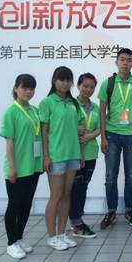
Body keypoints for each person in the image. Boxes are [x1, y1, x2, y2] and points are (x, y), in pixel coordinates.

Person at [98, 48, 132, 229]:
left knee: (131, 177)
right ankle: (111, 211)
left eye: (129, 60)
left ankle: (129, 210)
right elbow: (101, 113)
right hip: (112, 135)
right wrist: (103, 138)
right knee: (110, 177)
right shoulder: (108, 83)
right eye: (122, 59)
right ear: (116, 62)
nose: (125, 63)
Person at [40, 66, 85, 251]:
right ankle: (51, 236)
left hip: (72, 154)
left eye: (68, 80)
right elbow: (43, 132)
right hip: (56, 156)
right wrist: (46, 156)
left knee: (67, 195)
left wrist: (81, 153)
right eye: (62, 79)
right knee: (56, 196)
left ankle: (61, 234)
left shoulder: (74, 103)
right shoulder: (47, 102)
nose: (65, 83)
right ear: (54, 81)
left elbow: (80, 128)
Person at [0, 74, 42, 259]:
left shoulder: (34, 110)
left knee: (26, 204)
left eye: (31, 89)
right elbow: (9, 142)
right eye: (25, 88)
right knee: (14, 205)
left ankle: (19, 237)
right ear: (16, 88)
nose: (28, 92)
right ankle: (11, 243)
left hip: (33, 165)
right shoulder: (11, 112)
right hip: (17, 167)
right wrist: (11, 167)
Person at [69, 73, 101, 238]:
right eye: (85, 86)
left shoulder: (95, 107)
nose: (88, 89)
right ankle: (76, 222)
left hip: (90, 153)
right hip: (74, 153)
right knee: (74, 189)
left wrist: (89, 136)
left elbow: (100, 127)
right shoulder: (71, 105)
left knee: (83, 187)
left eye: (92, 87)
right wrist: (77, 131)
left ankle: (77, 219)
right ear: (78, 86)